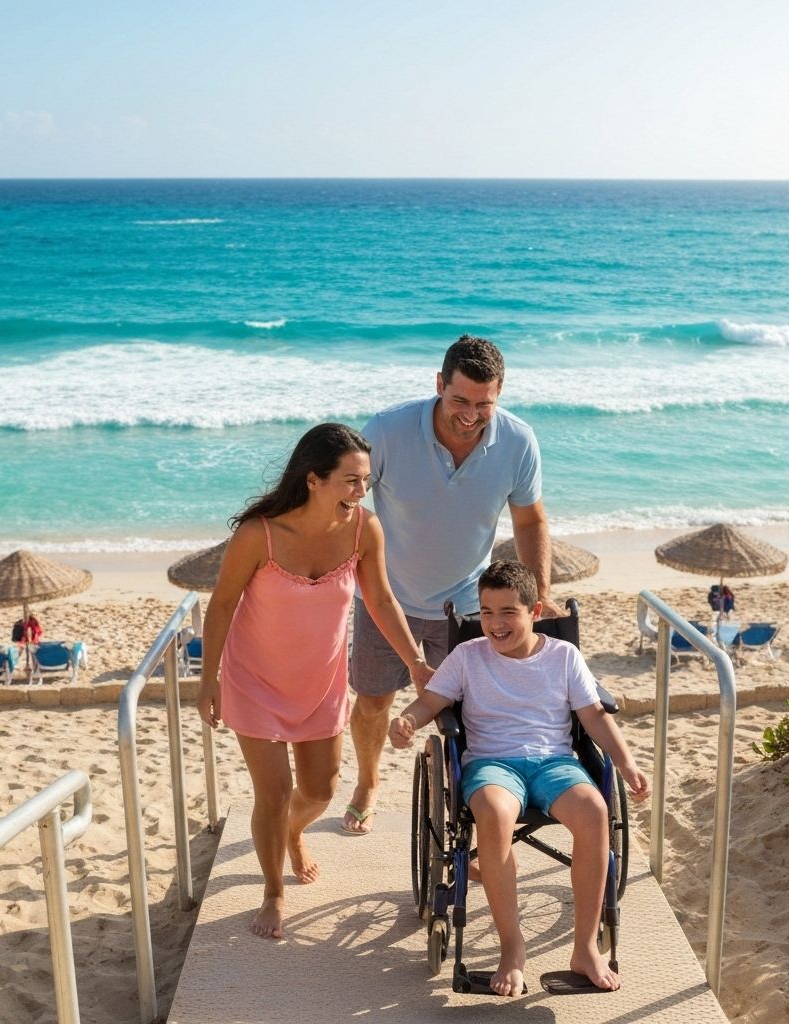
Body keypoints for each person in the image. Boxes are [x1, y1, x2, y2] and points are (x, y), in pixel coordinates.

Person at [196, 423, 434, 941]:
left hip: (322, 681)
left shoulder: (363, 530)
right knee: (274, 792)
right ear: (314, 480)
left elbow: (382, 601)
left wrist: (415, 662)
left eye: (365, 481)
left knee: (321, 790)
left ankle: (292, 833)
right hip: (253, 678)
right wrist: (207, 678)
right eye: (350, 481)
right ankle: (273, 891)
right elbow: (222, 604)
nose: (360, 491)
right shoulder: (258, 534)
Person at [388, 560, 650, 996]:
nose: (494, 624)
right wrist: (407, 721)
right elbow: (431, 701)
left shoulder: (564, 657)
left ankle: (584, 948)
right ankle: (513, 949)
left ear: (535, 610)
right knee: (492, 812)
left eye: (508, 611)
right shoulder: (467, 656)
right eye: (487, 613)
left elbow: (595, 718)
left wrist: (625, 763)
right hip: (492, 763)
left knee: (595, 812)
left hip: (554, 763)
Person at [344, 334, 562, 834]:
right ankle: (368, 782)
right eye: (459, 399)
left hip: (466, 607)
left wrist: (539, 593)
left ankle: (461, 803)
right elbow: (346, 506)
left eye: (484, 404)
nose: (470, 414)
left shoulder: (518, 441)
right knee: (374, 701)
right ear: (439, 384)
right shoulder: (387, 430)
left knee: (466, 714)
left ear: (500, 393)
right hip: (385, 599)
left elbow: (529, 523)